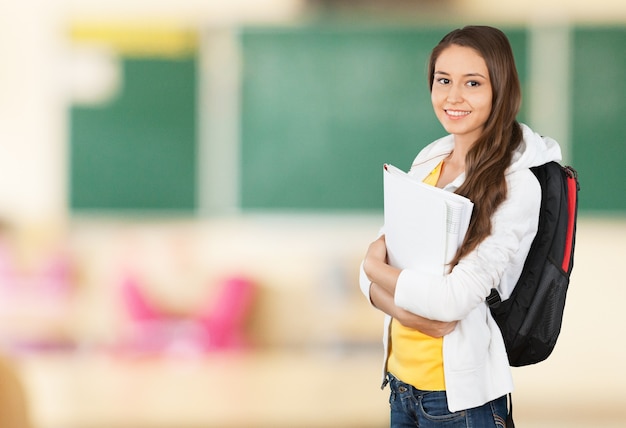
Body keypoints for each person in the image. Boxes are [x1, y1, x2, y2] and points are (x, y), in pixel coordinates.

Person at [359, 25, 562, 427]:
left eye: (472, 83)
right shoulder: (429, 160)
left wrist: (372, 268)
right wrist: (412, 313)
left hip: (459, 403)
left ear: (500, 89)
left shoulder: (517, 182)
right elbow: (373, 281)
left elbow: (450, 302)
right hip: (401, 386)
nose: (453, 96)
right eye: (443, 80)